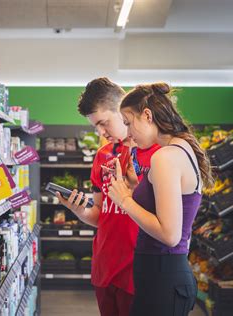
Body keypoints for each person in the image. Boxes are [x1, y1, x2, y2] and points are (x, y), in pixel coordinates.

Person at [107, 82, 214, 316]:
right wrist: (136, 188)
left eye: (128, 123)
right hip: (165, 276)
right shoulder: (180, 148)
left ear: (147, 115)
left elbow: (169, 234)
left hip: (162, 276)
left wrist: (125, 200)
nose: (127, 133)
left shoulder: (165, 156)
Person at [56, 77, 160, 316]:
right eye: (96, 127)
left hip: (139, 272)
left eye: (104, 123)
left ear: (123, 111)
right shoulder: (102, 155)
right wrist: (78, 209)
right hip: (105, 269)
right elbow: (100, 216)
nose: (101, 132)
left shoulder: (157, 154)